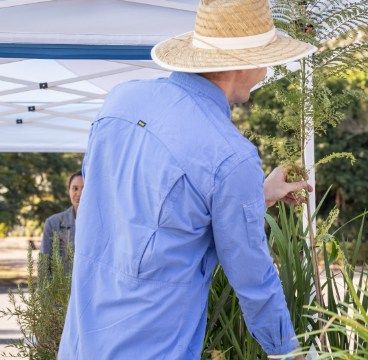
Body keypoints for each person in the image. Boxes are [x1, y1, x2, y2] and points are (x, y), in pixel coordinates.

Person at [58, 1, 316, 358]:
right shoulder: (231, 154)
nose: (268, 72)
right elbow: (253, 277)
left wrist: (256, 195)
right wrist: (289, 352)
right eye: (266, 58)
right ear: (244, 64)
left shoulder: (119, 102)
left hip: (81, 344)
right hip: (153, 346)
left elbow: (143, 211)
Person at [40, 171, 83, 273]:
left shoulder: (103, 225)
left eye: (85, 188)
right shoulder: (52, 223)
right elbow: (44, 267)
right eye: (75, 188)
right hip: (63, 288)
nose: (79, 193)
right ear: (69, 191)